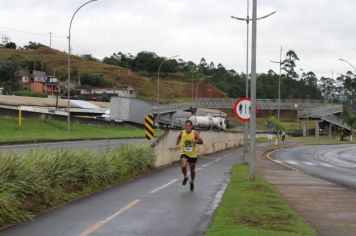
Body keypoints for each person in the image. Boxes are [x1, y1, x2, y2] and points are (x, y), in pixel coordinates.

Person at [176, 120, 203, 191]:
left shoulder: (195, 133)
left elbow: (201, 141)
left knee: (192, 171)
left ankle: (192, 182)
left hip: (192, 154)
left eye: (189, 126)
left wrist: (196, 141)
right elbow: (179, 137)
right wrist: (177, 144)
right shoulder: (182, 132)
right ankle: (185, 177)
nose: (187, 127)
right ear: (184, 126)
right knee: (183, 166)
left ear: (191, 126)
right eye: (186, 125)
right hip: (184, 152)